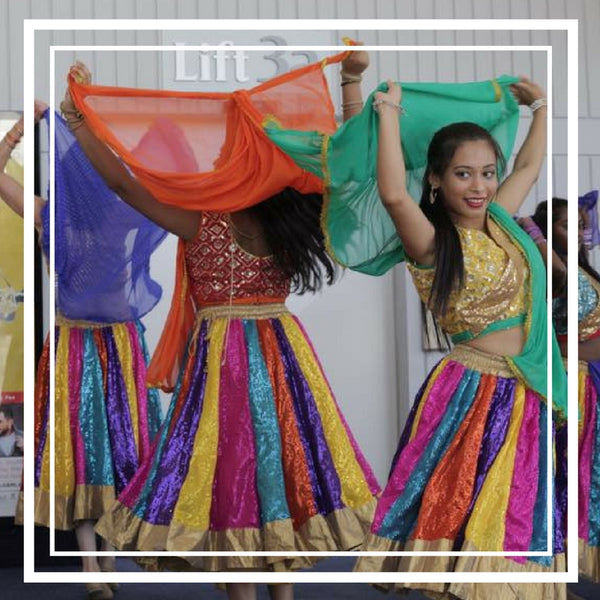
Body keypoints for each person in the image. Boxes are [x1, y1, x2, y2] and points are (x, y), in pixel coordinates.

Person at [62, 50, 379, 600]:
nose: (226, 157)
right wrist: (352, 85)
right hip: (277, 357)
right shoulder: (281, 221)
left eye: (233, 150)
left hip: (231, 365)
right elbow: (124, 184)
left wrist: (76, 121)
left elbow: (125, 184)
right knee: (269, 474)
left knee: (237, 478)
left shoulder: (210, 221)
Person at [353, 76, 567, 599]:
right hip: (470, 393)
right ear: (436, 181)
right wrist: (387, 113)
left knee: (512, 518)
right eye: (463, 174)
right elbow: (390, 193)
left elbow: (530, 167)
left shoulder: (500, 221)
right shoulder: (430, 240)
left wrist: (541, 106)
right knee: (461, 519)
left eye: (487, 174)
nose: (479, 186)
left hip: (526, 390)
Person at [0, 103, 165, 600]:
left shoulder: (92, 212)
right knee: (90, 453)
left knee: (102, 454)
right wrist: (49, 123)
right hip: (88, 345)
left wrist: (33, 127)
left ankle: (100, 561)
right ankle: (96, 564)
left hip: (101, 344)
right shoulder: (91, 213)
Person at [529, 197, 599, 584]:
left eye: (581, 225)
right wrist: (537, 238)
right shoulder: (548, 271)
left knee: (587, 482)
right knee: (561, 480)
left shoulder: (581, 269)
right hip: (568, 383)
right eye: (566, 225)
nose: (577, 233)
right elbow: (563, 283)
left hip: (591, 381)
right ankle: (550, 578)